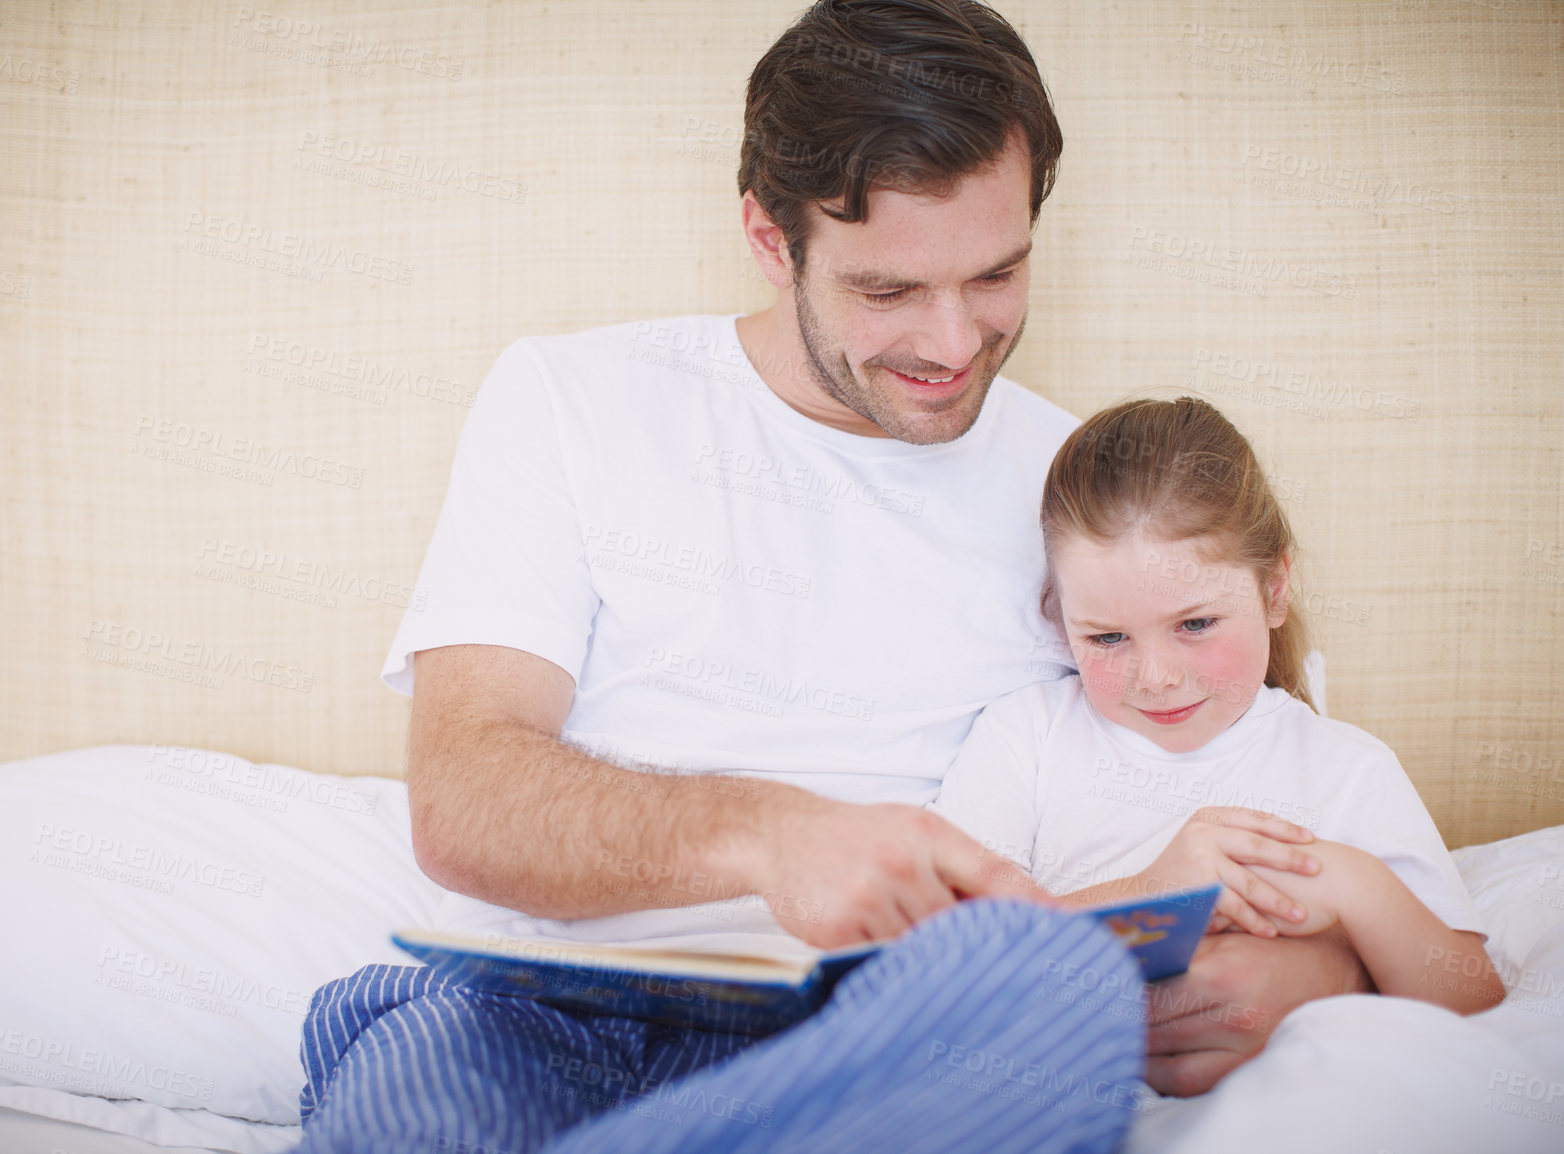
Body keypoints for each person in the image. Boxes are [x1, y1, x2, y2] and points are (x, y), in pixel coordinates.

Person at [294, 3, 1373, 1150]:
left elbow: (1245, 761)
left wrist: (1322, 968)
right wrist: (771, 835)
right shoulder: (570, 398)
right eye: (887, 291)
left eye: (996, 274)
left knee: (1051, 985)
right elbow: (463, 800)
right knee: (415, 1093)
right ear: (770, 238)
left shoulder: (1085, 495)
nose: (953, 343)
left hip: (896, 1026)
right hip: (528, 1008)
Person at [933, 396, 1504, 1065]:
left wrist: (1350, 887)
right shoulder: (1025, 737)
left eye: (1195, 624)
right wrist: (1153, 892)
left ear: (1274, 589)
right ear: (1059, 616)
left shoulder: (1345, 767)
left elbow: (1474, 998)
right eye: (1108, 636)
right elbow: (941, 958)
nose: (1156, 677)